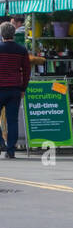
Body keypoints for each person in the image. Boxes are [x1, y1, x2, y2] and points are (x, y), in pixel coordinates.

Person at [0, 22, 33, 159]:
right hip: (15, 89)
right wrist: (23, 88)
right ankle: (10, 150)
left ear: (2, 34)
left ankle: (1, 142)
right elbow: (27, 70)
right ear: (13, 34)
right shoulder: (21, 50)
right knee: (12, 120)